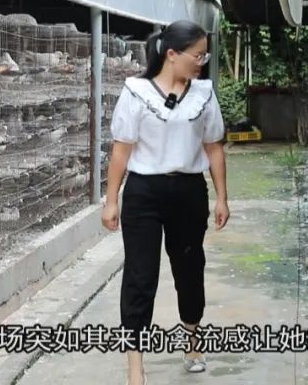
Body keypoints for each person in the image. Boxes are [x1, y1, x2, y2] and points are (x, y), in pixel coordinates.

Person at [101, 20, 230, 384]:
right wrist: (111, 201)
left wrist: (222, 197)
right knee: (140, 276)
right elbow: (121, 152)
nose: (202, 61)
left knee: (189, 270)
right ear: (171, 55)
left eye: (205, 54)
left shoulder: (203, 94)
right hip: (143, 193)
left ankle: (192, 339)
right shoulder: (136, 92)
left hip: (188, 192)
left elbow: (214, 148)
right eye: (197, 54)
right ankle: (135, 366)